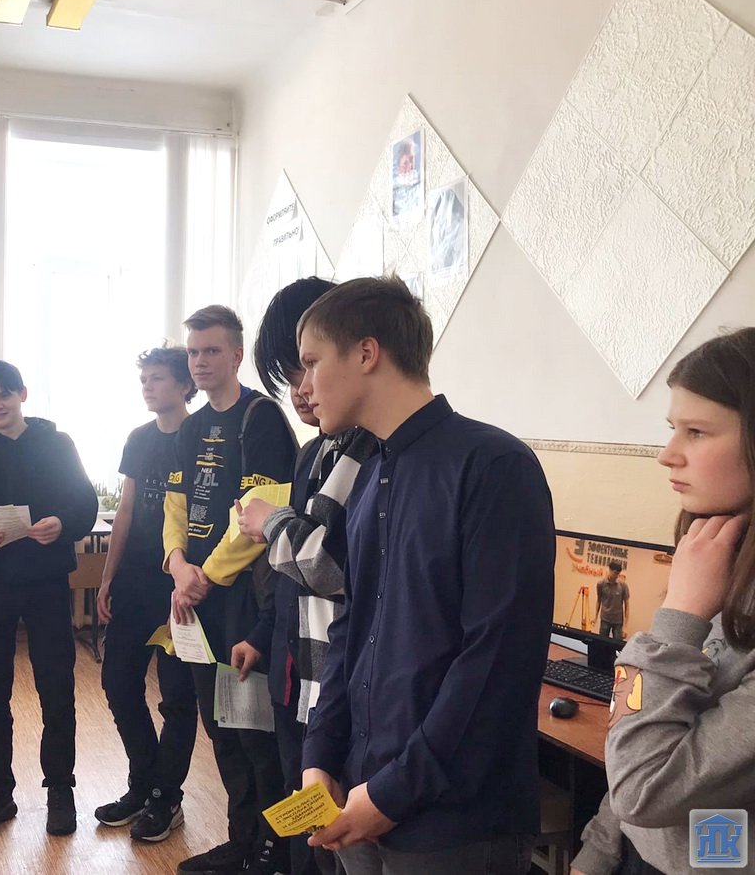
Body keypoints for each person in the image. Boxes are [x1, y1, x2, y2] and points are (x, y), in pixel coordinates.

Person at [296, 277, 555, 873]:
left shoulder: (493, 465)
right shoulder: (370, 474)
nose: (303, 387)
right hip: (359, 794)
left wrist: (394, 793)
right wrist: (320, 754)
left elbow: (496, 659)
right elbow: (350, 629)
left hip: (452, 820)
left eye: (311, 362)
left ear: (367, 352)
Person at [571, 327, 755, 875]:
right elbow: (646, 719)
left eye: (696, 432)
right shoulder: (716, 558)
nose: (666, 455)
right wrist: (599, 849)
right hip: (638, 855)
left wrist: (678, 620)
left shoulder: (696, 591)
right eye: (673, 428)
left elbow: (644, 787)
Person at [231, 277, 379, 875]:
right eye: (290, 373)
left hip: (342, 688)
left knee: (340, 845)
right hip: (297, 677)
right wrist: (264, 636)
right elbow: (290, 580)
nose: (301, 389)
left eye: (309, 366)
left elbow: (339, 567)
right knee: (304, 833)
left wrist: (270, 523)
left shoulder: (376, 452)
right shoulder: (313, 453)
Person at [164, 305, 298, 875]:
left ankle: (273, 849)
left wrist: (204, 577)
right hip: (196, 600)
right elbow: (175, 507)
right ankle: (241, 841)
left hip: (244, 600)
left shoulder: (261, 418)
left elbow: (259, 514)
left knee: (253, 731)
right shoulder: (190, 426)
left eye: (212, 350)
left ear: (236, 355)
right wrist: (178, 566)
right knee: (218, 725)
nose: (199, 362)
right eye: (194, 352)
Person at [0, 360, 98, 841]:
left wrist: (62, 524)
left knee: (57, 687)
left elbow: (84, 504)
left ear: (22, 394)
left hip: (46, 583)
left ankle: (60, 790)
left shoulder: (57, 444)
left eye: (3, 395)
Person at [94, 346, 199, 843]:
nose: (148, 388)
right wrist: (107, 577)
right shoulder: (139, 439)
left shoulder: (202, 437)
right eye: (144, 380)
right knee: (118, 682)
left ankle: (165, 797)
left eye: (158, 379)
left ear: (185, 385)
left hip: (180, 588)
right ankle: (144, 783)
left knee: (177, 696)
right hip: (134, 582)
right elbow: (127, 511)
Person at [593, 561, 629, 640]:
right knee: (602, 642)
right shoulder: (601, 584)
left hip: (618, 621)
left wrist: (625, 627)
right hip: (605, 619)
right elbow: (598, 600)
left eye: (618, 573)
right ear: (609, 570)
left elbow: (627, 605)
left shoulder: (623, 586)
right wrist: (595, 617)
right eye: (615, 573)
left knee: (617, 644)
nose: (616, 575)